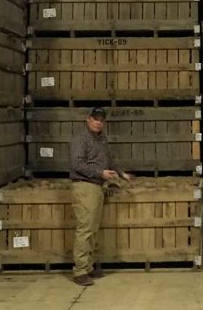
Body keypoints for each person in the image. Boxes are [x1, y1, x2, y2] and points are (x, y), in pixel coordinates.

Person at [69, 106, 132, 286]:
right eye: (95, 119)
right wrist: (100, 173)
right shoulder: (81, 139)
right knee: (85, 229)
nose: (98, 123)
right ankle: (80, 270)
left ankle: (88, 266)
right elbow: (77, 164)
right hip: (85, 187)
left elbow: (109, 159)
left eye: (101, 120)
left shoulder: (102, 138)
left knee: (92, 229)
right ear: (88, 119)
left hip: (97, 187)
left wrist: (121, 173)